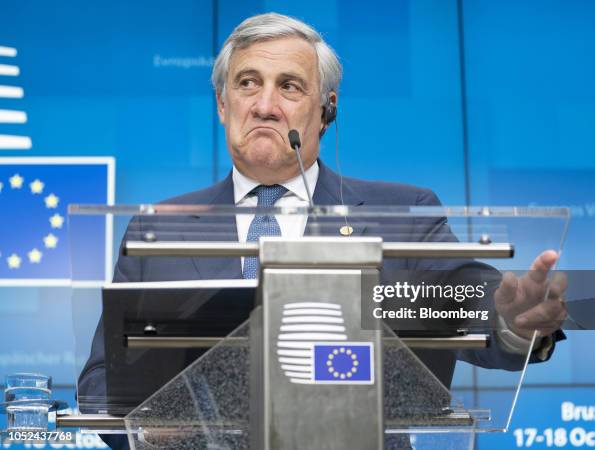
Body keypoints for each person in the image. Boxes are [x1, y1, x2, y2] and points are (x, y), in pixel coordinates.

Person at [79, 13, 567, 449]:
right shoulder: (159, 229)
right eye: (248, 83)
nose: (265, 105)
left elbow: (467, 302)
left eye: (289, 86)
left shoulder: (404, 213)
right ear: (223, 104)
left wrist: (510, 320)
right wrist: (169, 433)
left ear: (327, 109)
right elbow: (102, 382)